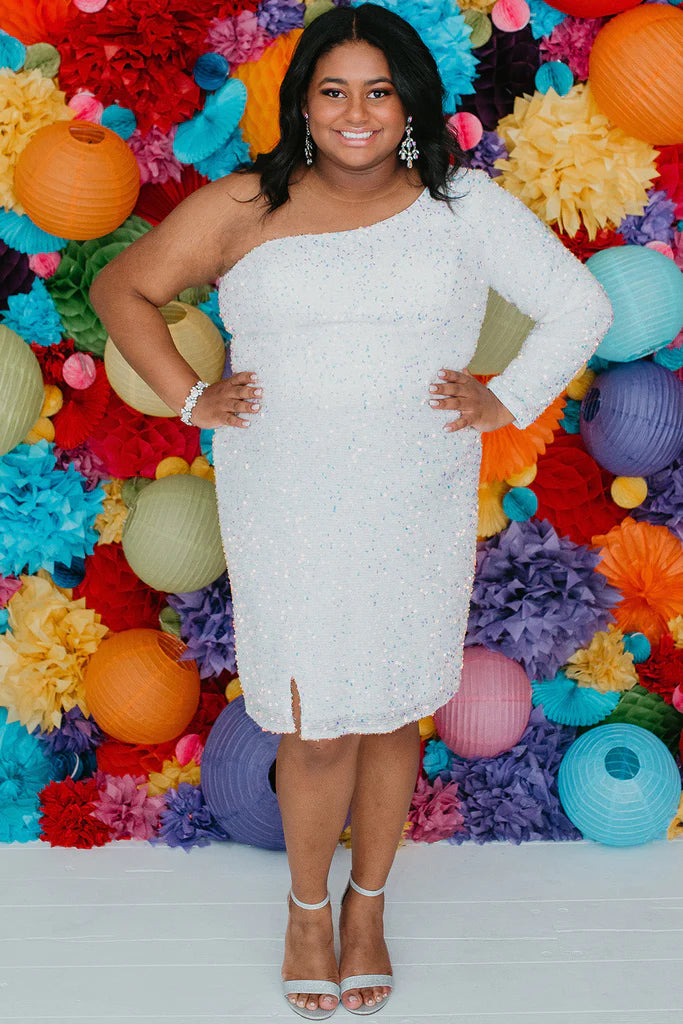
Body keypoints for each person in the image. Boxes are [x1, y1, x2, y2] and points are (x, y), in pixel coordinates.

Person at [89, 4, 615, 1018]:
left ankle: (365, 907)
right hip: (285, 501)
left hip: (411, 496)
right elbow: (124, 289)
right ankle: (305, 909)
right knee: (315, 720)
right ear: (302, 105)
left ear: (410, 103)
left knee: (388, 709)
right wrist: (193, 399)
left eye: (378, 91)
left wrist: (504, 399)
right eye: (333, 91)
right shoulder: (246, 203)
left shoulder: (460, 205)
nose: (356, 112)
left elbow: (578, 304)